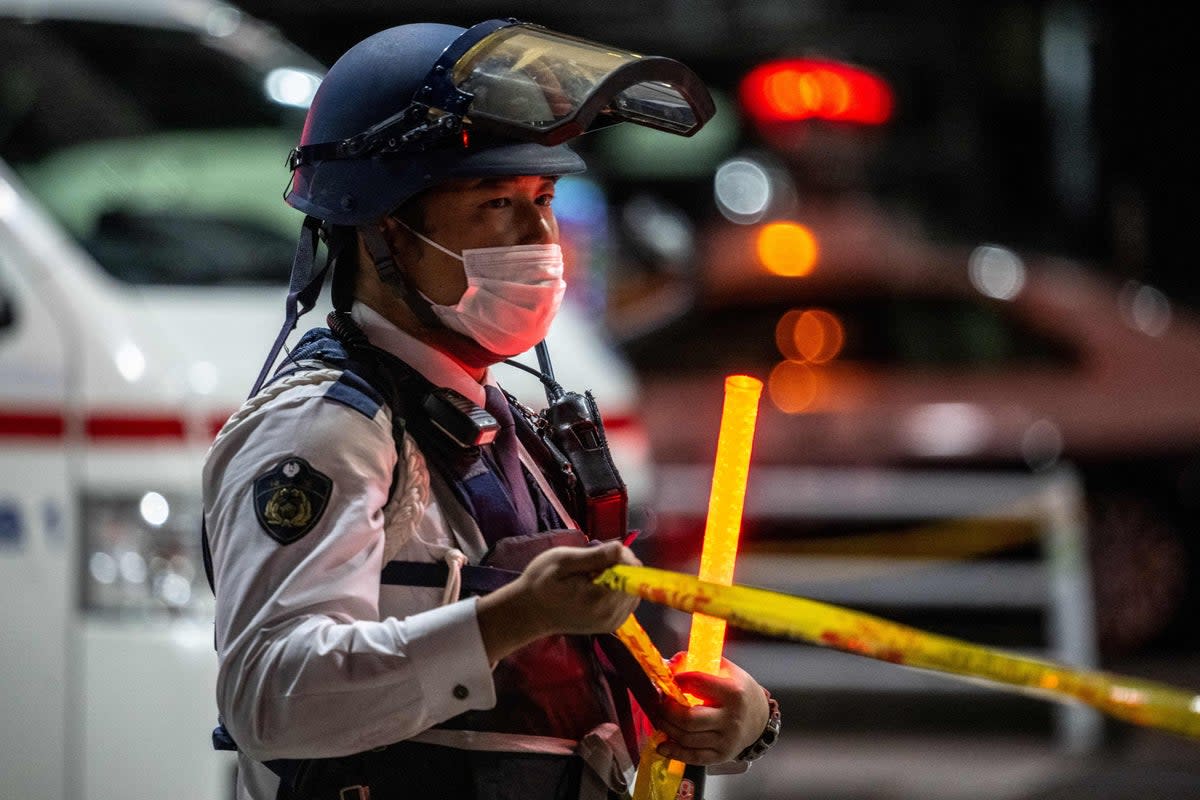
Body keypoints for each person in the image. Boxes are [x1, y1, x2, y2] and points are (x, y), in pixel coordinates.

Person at [202, 19, 780, 800]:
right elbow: (271, 697)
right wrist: (515, 615)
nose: (540, 235)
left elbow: (570, 689)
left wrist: (733, 718)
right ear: (384, 232)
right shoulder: (327, 428)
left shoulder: (512, 431)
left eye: (544, 198)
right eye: (496, 202)